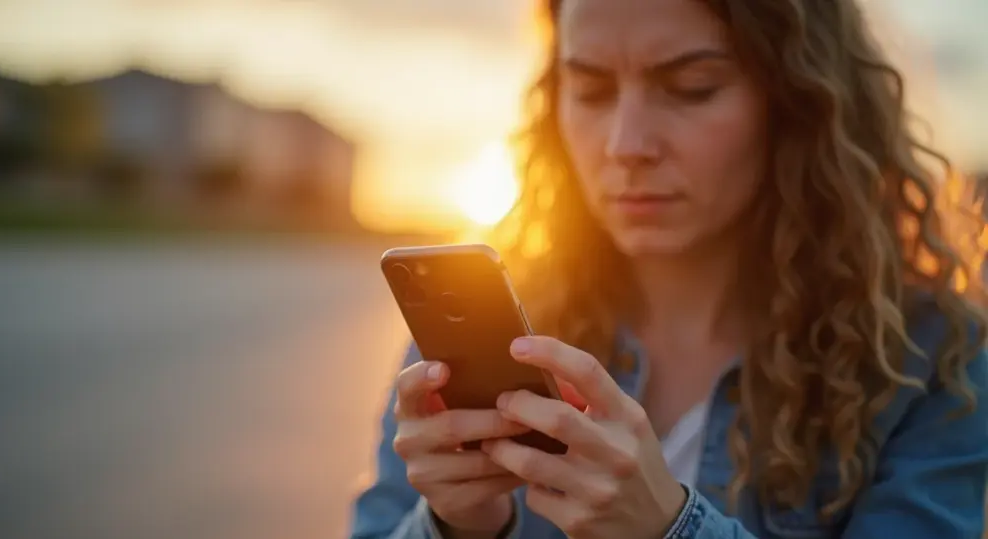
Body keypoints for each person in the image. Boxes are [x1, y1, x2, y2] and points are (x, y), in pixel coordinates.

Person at [349, 0, 988, 537]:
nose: (627, 145)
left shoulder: (929, 358)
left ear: (797, 102)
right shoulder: (486, 334)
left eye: (692, 88)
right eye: (591, 90)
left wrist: (668, 527)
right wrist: (458, 527)